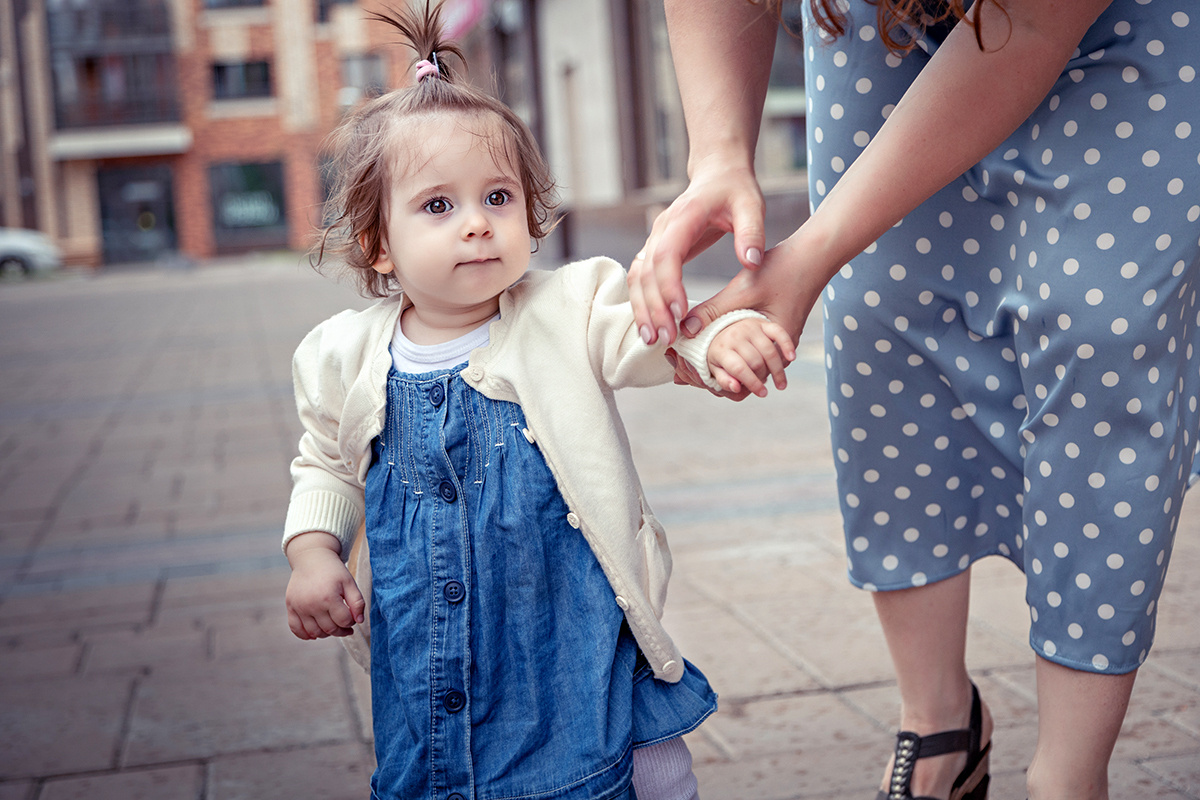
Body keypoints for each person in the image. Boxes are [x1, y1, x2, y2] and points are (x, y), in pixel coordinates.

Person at [628, 0, 1199, 798]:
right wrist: (717, 157)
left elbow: (1028, 27)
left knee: (1098, 336)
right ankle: (939, 727)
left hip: (1104, 21)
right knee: (885, 313)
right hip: (876, 20)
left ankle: (1070, 773)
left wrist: (811, 256)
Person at [280, 4, 794, 799]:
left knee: (630, 753)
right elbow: (325, 464)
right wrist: (312, 552)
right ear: (379, 242)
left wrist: (712, 342)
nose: (479, 227)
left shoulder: (568, 307)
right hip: (429, 651)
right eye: (438, 206)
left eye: (498, 198)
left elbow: (647, 330)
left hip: (569, 626)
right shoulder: (342, 357)